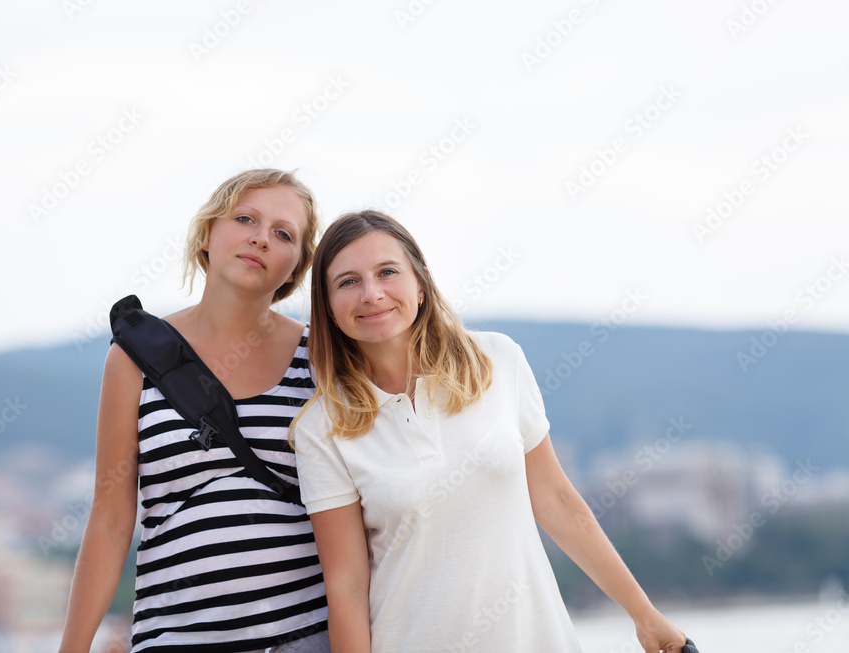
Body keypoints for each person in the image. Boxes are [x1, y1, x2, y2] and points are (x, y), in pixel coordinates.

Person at [290, 210, 689, 652]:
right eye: (348, 281)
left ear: (420, 284)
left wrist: (645, 616)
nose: (372, 293)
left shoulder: (498, 361)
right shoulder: (321, 428)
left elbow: (557, 501)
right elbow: (346, 585)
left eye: (388, 272)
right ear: (327, 306)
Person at [59, 169, 331, 653]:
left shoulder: (322, 361)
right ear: (207, 233)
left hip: (303, 637)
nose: (260, 238)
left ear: (295, 268)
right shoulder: (135, 357)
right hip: (173, 638)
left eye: (283, 233)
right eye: (245, 218)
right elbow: (110, 519)